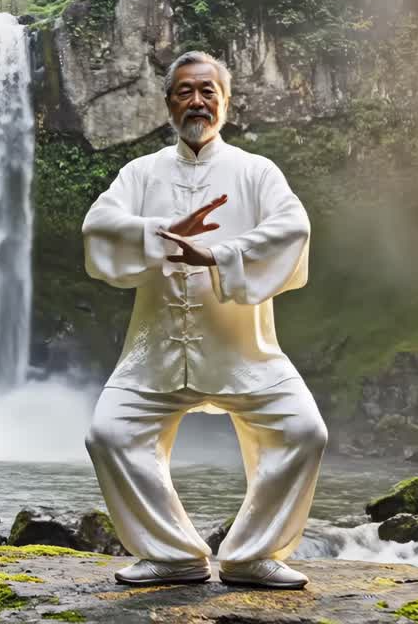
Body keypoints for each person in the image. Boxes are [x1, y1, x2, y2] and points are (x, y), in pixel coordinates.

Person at [81, 51, 328, 589]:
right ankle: (173, 554)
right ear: (168, 102)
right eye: (185, 91)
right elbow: (99, 225)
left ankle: (251, 554)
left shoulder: (256, 172)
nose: (197, 101)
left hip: (245, 351)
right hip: (155, 350)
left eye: (208, 91)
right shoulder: (139, 173)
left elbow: (294, 228)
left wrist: (217, 255)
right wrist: (165, 231)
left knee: (304, 431)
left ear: (226, 101)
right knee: (109, 434)